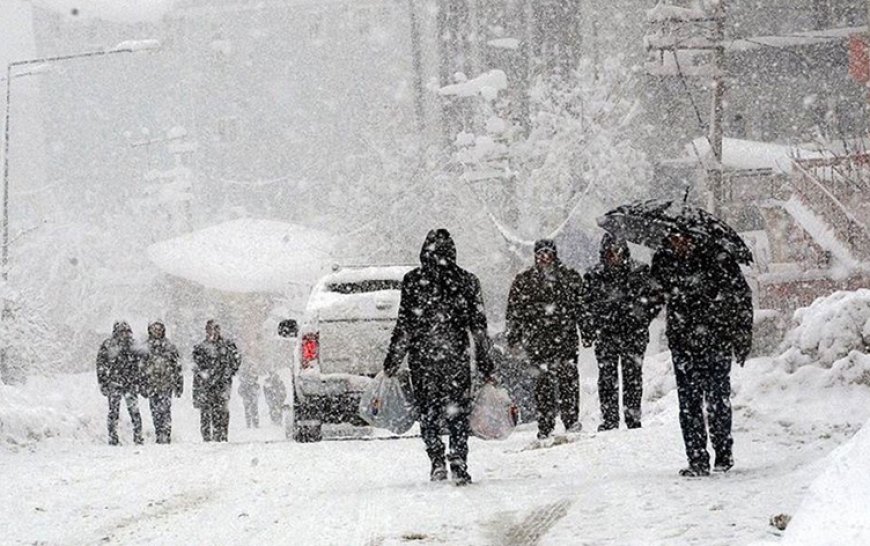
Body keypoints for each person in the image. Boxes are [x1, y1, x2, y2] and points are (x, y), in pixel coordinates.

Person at [383, 229, 494, 486]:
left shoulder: (413, 281)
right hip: (455, 357)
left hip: (423, 358)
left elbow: (405, 326)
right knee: (458, 412)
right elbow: (478, 328)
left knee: (429, 411)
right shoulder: (467, 281)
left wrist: (392, 361)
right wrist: (486, 364)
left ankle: (436, 460)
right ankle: (458, 458)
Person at [650, 232, 753, 477]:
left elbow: (740, 297)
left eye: (683, 238)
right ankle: (696, 458)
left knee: (717, 399)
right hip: (683, 342)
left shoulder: (718, 258)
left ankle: (723, 453)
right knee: (689, 403)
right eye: (674, 238)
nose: (679, 242)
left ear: (694, 237)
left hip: (715, 340)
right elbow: (653, 297)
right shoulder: (664, 261)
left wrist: (741, 337)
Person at [505, 239, 585, 440]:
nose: (544, 257)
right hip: (538, 341)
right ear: (535, 255)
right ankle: (545, 424)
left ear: (555, 254)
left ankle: (571, 419)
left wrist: (587, 331)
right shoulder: (525, 280)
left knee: (568, 381)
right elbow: (514, 312)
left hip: (565, 339)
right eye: (541, 253)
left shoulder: (569, 277)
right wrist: (514, 337)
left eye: (548, 253)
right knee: (543, 385)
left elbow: (582, 308)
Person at [582, 234, 656, 431]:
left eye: (618, 250)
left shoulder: (639, 272)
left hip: (633, 334)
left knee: (633, 378)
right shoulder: (593, 275)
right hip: (606, 334)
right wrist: (592, 327)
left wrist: (641, 319)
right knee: (607, 378)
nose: (615, 255)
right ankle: (610, 419)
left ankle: (632, 418)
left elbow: (653, 300)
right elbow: (586, 305)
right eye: (610, 251)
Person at [192, 320, 242, 442]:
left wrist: (229, 371)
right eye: (210, 329)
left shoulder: (228, 345)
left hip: (222, 383)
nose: (213, 332)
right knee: (205, 411)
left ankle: (221, 435)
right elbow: (197, 366)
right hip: (206, 384)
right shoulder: (201, 348)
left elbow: (236, 359)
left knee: (221, 410)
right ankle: (207, 437)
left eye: (216, 329)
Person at [96, 321, 143, 446]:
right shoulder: (108, 345)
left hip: (130, 384)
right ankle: (113, 437)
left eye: (126, 331)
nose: (124, 334)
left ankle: (138, 437)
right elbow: (101, 365)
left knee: (134, 411)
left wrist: (139, 381)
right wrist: (103, 383)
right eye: (122, 331)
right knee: (113, 412)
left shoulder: (133, 345)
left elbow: (141, 365)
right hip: (114, 383)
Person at [140, 321, 182, 444]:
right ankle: (159, 433)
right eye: (154, 329)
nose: (157, 331)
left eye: (159, 329)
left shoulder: (170, 347)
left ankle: (166, 434)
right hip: (151, 385)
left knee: (165, 410)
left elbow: (177, 367)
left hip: (166, 385)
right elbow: (141, 368)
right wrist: (142, 385)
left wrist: (179, 384)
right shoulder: (145, 347)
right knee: (155, 411)